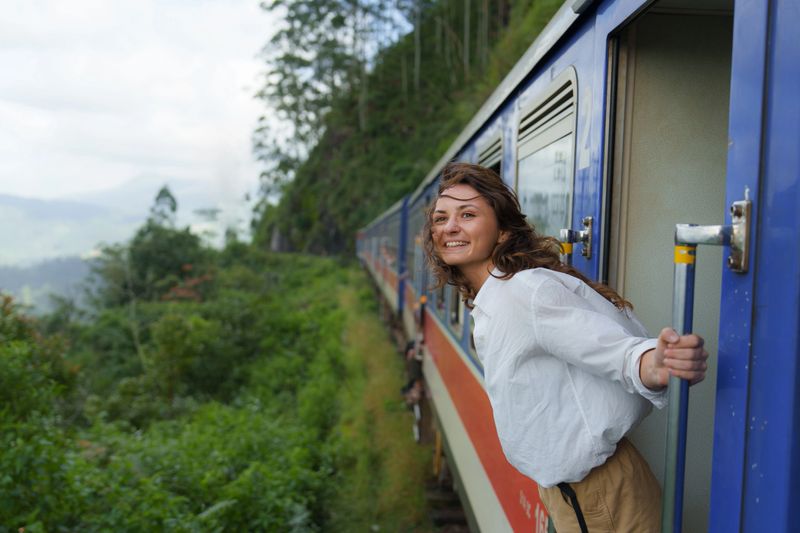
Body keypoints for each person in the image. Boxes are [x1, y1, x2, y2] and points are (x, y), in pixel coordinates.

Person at [422, 162, 708, 533]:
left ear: (504, 232)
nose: (450, 227)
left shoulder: (525, 293)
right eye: (441, 218)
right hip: (579, 494)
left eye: (468, 214)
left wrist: (656, 362)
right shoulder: (497, 298)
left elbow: (616, 352)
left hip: (600, 496)